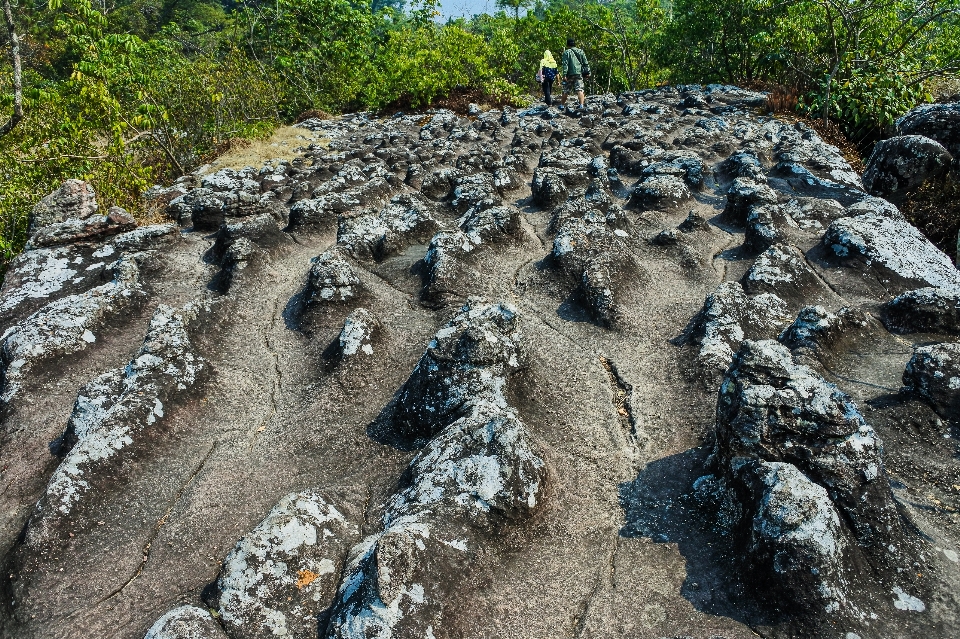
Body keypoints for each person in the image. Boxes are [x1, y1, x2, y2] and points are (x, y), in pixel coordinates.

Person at [560, 37, 590, 112]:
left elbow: (565, 65)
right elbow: (586, 63)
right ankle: (581, 105)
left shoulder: (566, 52)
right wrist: (588, 72)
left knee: (565, 90)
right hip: (579, 73)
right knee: (580, 89)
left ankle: (562, 105)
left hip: (569, 74)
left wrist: (564, 75)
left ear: (567, 44)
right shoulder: (581, 51)